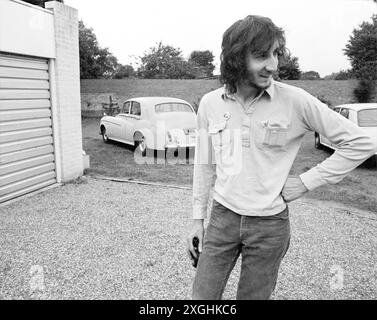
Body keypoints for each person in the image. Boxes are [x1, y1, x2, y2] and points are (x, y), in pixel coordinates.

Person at [186, 15, 377, 300]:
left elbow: (361, 143)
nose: (273, 65)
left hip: (269, 225)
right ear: (236, 58)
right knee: (201, 298)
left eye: (276, 54)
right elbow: (204, 163)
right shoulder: (211, 103)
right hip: (222, 217)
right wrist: (197, 219)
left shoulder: (296, 100)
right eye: (262, 55)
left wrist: (305, 182)